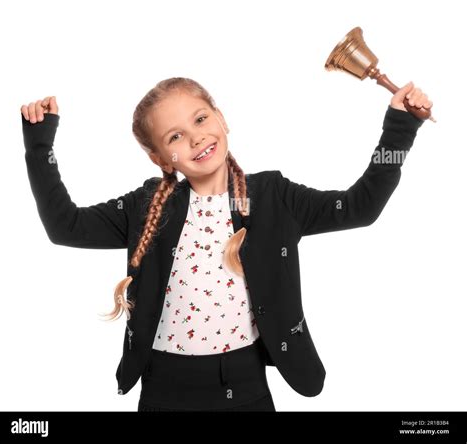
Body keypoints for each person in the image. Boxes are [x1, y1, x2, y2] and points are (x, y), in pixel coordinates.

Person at [21, 78, 432, 411]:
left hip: (245, 384)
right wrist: (40, 147)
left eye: (201, 119)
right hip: (164, 388)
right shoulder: (145, 205)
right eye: (176, 136)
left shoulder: (274, 196)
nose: (196, 138)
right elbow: (65, 226)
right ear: (162, 159)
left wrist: (400, 130)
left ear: (222, 117)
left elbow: (360, 207)